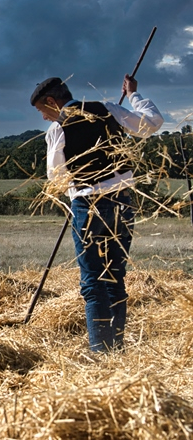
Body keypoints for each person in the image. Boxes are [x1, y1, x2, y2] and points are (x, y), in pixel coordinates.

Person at [30, 74, 163, 352]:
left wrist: (73, 195)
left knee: (93, 282)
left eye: (43, 110)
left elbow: (56, 178)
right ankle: (116, 347)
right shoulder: (107, 109)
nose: (44, 117)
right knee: (115, 277)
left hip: (88, 205)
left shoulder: (57, 129)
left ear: (53, 101)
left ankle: (100, 352)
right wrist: (134, 95)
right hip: (123, 203)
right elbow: (151, 124)